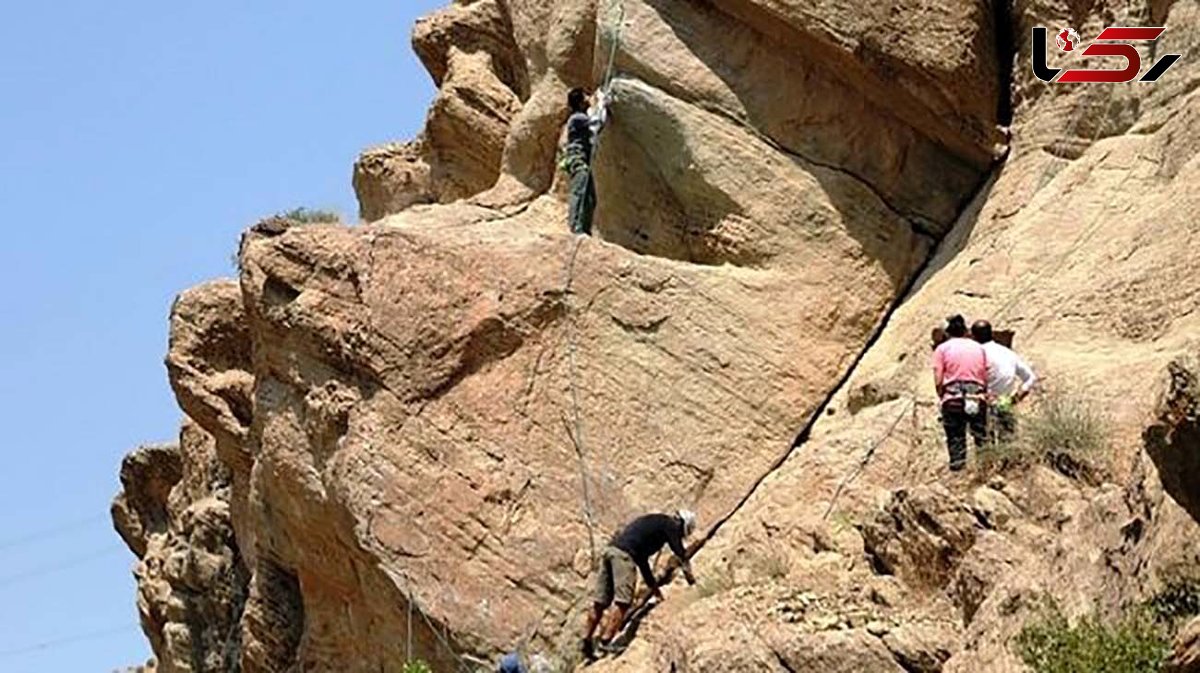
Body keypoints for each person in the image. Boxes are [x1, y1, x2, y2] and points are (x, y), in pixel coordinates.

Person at [581, 510, 698, 660]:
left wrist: (656, 591)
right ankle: (606, 642)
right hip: (623, 557)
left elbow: (643, 564)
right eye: (682, 534)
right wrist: (691, 578)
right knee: (623, 602)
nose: (679, 536)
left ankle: (586, 642)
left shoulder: (654, 525)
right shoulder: (670, 524)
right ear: (683, 525)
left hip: (611, 550)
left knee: (600, 603)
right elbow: (680, 551)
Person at [932, 315, 989, 471]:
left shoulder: (942, 349)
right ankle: (986, 471)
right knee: (981, 438)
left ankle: (958, 474)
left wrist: (942, 395)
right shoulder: (979, 347)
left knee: (956, 439)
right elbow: (985, 374)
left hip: (953, 398)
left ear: (947, 332)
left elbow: (938, 378)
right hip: (977, 396)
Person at [971, 320, 1037, 441]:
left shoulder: (975, 354)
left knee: (984, 445)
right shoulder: (1008, 353)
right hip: (1005, 402)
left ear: (973, 336)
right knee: (1008, 443)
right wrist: (1016, 398)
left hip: (983, 404)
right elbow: (1030, 378)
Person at [562, 87, 610, 236]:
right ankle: (576, 228)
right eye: (586, 96)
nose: (589, 97)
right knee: (580, 192)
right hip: (578, 160)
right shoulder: (577, 118)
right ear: (581, 102)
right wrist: (602, 101)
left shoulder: (581, 117)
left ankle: (585, 229)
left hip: (583, 160)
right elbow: (597, 121)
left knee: (590, 197)